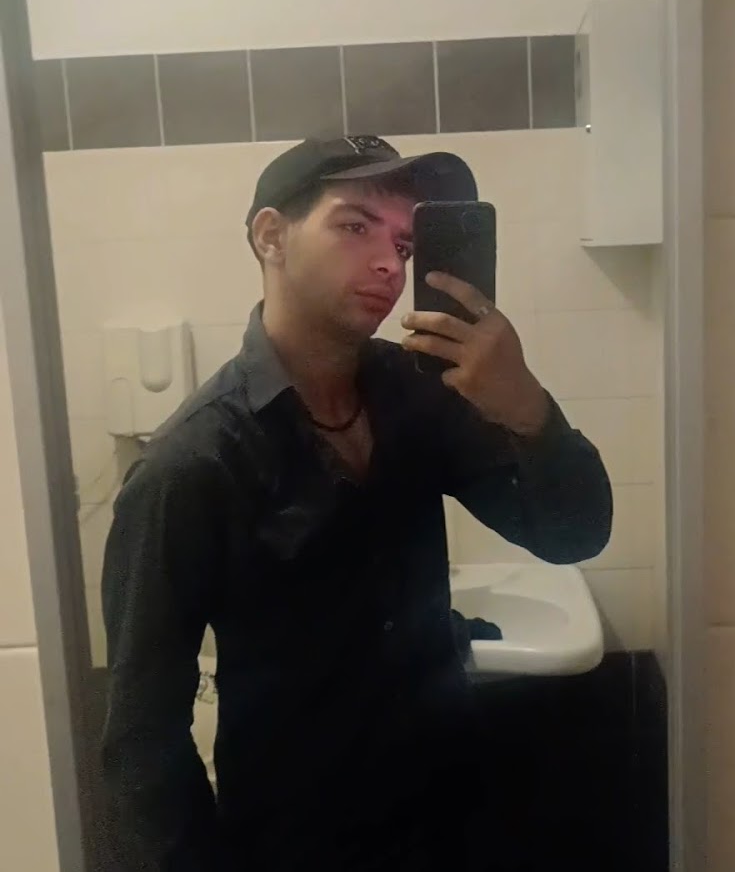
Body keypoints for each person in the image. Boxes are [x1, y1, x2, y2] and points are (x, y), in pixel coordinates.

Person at [101, 135, 613, 872]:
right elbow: (141, 738)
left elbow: (574, 534)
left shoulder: (420, 395)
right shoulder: (193, 464)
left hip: (451, 818)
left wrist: (526, 406)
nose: (389, 265)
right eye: (354, 226)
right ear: (271, 236)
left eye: (403, 244)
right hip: (296, 844)